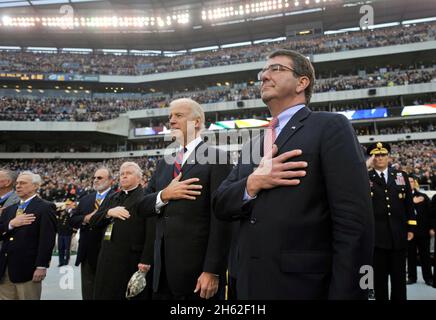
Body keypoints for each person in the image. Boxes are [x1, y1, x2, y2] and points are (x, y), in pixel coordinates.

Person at [212, 49, 374, 299]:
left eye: (275, 69)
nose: (264, 76)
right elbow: (220, 204)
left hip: (301, 287)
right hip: (246, 284)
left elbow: (354, 223)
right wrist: (253, 183)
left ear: (302, 82)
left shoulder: (330, 126)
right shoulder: (254, 143)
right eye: (263, 72)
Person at [138, 98, 232, 300]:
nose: (171, 121)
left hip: (198, 277)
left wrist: (213, 270)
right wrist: (165, 195)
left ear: (196, 122)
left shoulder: (218, 159)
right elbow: (142, 206)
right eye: (170, 116)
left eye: (178, 116)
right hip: (161, 275)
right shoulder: (165, 163)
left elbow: (222, 220)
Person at [90, 162, 156, 300]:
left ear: (139, 179)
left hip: (131, 259)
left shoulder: (146, 198)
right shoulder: (112, 197)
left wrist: (146, 260)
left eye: (129, 173)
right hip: (107, 257)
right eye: (122, 174)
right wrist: (108, 212)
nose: (124, 176)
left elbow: (151, 232)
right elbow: (94, 220)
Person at [366, 142, 416, 300]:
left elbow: (409, 203)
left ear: (388, 156)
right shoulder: (365, 177)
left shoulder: (401, 176)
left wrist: (411, 228)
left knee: (399, 279)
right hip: (377, 238)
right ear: (372, 157)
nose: (380, 158)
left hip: (398, 236)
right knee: (379, 280)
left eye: (383, 155)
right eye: (376, 155)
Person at [0, 171, 57, 300]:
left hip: (28, 269)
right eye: (17, 183)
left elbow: (47, 239)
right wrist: (11, 224)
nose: (18, 186)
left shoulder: (45, 207)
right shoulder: (9, 210)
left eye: (23, 183)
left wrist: (41, 266)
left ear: (35, 186)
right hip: (5, 269)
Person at [69, 167, 114, 300]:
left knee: (106, 291)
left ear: (111, 181)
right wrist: (86, 218)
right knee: (88, 292)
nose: (95, 180)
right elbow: (72, 219)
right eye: (94, 178)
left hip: (108, 251)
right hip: (87, 252)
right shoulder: (86, 199)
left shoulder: (117, 197)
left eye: (99, 178)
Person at [406, 176, 433, 286]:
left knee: (425, 255)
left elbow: (430, 214)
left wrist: (431, 228)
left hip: (423, 231)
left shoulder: (424, 196)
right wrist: (412, 202)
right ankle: (412, 277)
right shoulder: (401, 198)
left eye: (411, 181)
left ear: (415, 183)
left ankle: (428, 278)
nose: (410, 183)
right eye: (408, 182)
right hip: (409, 232)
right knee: (411, 255)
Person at [56, 199, 77, 267]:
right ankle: (61, 262)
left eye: (68, 204)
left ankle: (66, 260)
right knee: (60, 248)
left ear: (71, 205)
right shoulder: (61, 212)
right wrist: (61, 207)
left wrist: (74, 231)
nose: (67, 206)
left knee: (67, 248)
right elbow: (56, 211)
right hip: (60, 233)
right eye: (66, 204)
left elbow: (74, 223)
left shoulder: (72, 212)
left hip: (68, 233)